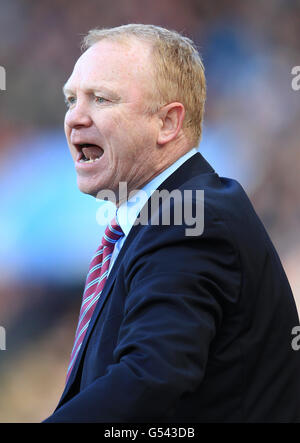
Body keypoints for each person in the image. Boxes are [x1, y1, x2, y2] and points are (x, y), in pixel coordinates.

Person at [44, 24, 300, 423]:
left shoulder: (191, 219)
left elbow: (149, 377)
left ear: (168, 123)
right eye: (71, 99)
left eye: (101, 99)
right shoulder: (168, 215)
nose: (75, 117)